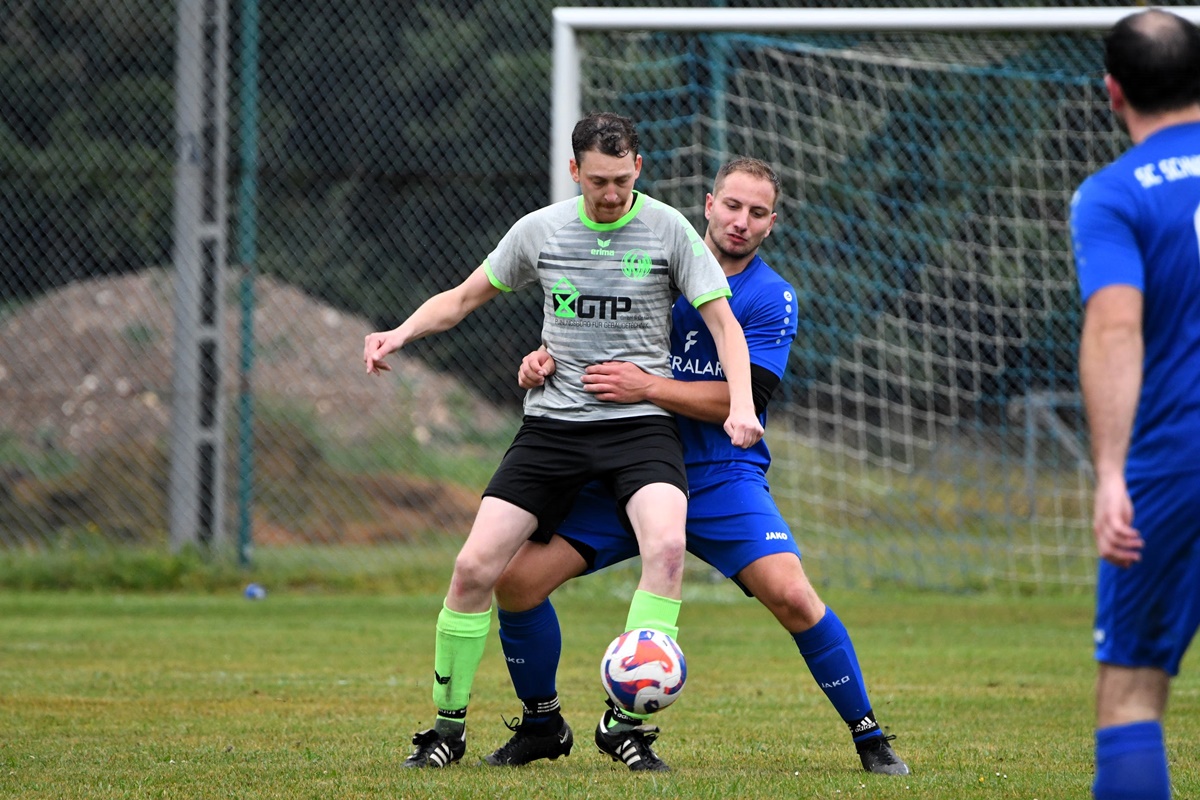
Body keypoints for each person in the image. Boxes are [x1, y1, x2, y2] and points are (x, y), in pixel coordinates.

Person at [483, 157, 909, 775]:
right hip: (622, 465)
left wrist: (648, 386)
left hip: (717, 478)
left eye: (757, 212)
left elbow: (746, 401)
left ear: (772, 223)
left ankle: (868, 736)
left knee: (793, 595)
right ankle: (543, 722)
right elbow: (583, 340)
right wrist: (543, 362)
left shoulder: (770, 296)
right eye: (732, 206)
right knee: (516, 582)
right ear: (708, 205)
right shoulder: (651, 263)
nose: (741, 221)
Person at [363, 112, 764, 768]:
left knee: (665, 547)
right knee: (473, 568)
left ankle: (627, 724)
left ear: (640, 168)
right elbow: (464, 299)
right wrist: (399, 334)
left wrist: (740, 406)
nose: (611, 192)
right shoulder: (540, 231)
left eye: (623, 178)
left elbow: (724, 326)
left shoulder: (668, 230)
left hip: (638, 429)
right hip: (553, 427)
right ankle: (446, 730)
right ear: (574, 171)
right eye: (598, 180)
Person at [1070, 10, 1200, 800]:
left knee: (1131, 693)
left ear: (1113, 91)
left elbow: (1116, 324)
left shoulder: (1113, 194)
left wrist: (1111, 473)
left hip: (1176, 460)